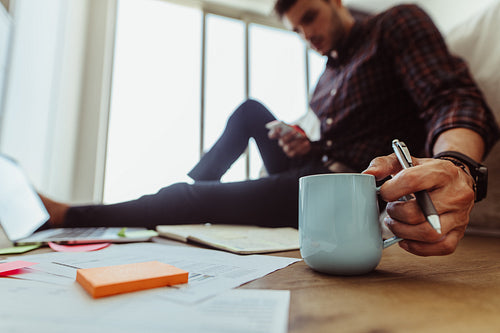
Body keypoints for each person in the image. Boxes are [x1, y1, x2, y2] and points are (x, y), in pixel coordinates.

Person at [41, 0, 499, 257]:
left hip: (344, 185)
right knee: (250, 110)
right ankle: (205, 198)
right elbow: (333, 141)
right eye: (297, 30)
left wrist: (456, 164)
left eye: (310, 18)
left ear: (336, 1)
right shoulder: (326, 79)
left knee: (187, 199)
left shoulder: (395, 24)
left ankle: (74, 216)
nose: (307, 36)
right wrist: (302, 141)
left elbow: (452, 97)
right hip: (314, 163)